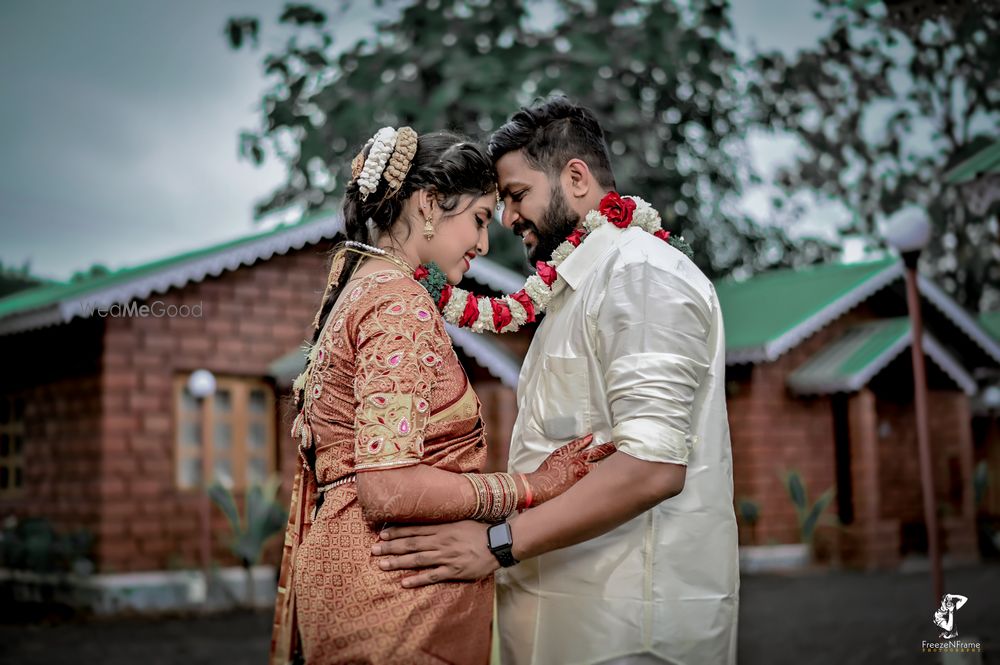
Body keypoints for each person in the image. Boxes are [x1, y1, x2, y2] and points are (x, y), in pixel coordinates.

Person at [373, 98, 740, 664]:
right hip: (566, 619)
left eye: (517, 195)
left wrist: (495, 544)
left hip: (627, 631)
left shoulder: (640, 273)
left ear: (575, 177)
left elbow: (653, 467)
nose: (507, 219)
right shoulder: (577, 288)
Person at [269, 128, 615, 665]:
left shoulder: (360, 289)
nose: (482, 244)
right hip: (395, 598)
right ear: (429, 203)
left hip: (363, 575)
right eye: (478, 219)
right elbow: (387, 487)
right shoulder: (397, 306)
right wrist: (532, 487)